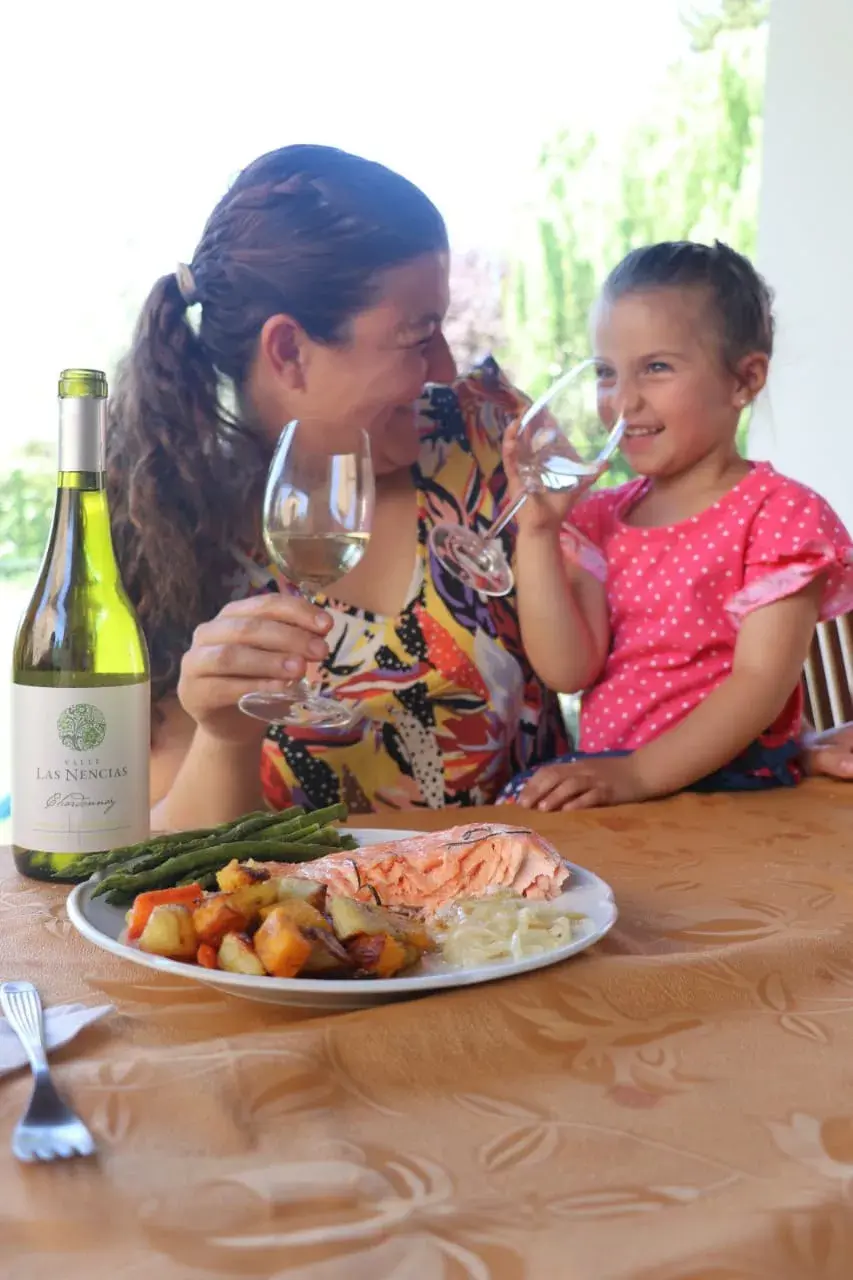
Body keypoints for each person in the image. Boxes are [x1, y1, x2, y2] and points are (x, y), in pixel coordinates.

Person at [107, 144, 567, 828]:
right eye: (417, 337)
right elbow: (161, 848)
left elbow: (620, 657)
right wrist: (226, 735)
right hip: (322, 931)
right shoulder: (167, 524)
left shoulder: (487, 441)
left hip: (530, 919)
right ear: (288, 350)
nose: (442, 367)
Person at [500, 240, 853, 811]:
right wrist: (538, 534)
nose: (623, 401)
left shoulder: (779, 515)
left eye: (656, 368)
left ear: (744, 380)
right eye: (608, 373)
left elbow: (759, 687)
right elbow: (569, 668)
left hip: (733, 788)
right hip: (621, 790)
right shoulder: (600, 516)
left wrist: (640, 774)